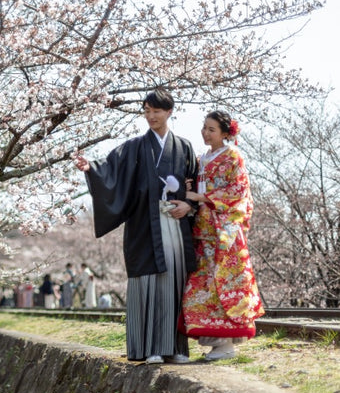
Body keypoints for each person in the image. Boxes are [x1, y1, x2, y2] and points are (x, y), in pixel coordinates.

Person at [74, 87, 198, 364]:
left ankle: (175, 348)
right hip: (144, 224)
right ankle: (150, 347)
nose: (151, 116)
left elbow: (194, 184)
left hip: (175, 223)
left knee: (174, 281)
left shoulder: (185, 147)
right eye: (147, 111)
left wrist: (189, 206)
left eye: (156, 111)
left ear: (169, 112)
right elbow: (109, 169)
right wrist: (91, 169)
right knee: (148, 282)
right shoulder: (134, 146)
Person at [181, 111, 265, 360]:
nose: (206, 133)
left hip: (224, 232)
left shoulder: (233, 156)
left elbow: (238, 191)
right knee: (204, 284)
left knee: (223, 284)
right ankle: (215, 342)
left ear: (226, 133)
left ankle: (227, 343)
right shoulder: (202, 158)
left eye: (212, 130)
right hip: (203, 229)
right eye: (204, 128)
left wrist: (203, 197)